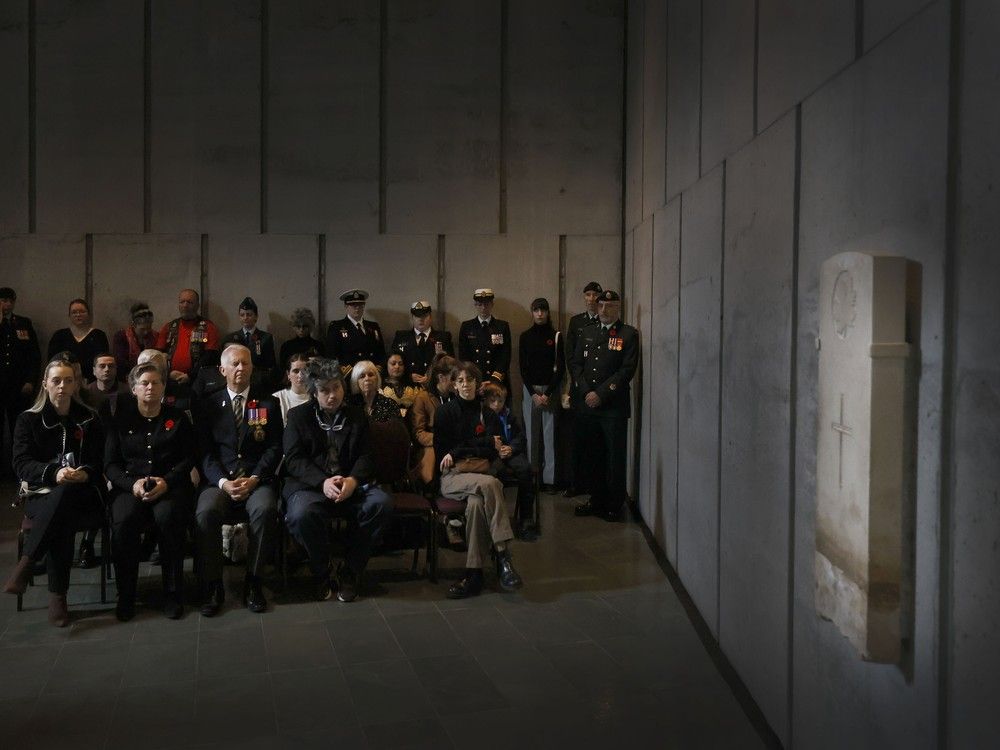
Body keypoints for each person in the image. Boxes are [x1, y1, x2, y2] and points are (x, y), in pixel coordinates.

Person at [3, 355, 105, 627]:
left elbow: (100, 460)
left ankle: (27, 565)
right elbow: (21, 464)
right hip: (40, 494)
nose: (62, 386)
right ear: (45, 384)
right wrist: (54, 473)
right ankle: (58, 596)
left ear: (76, 385)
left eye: (68, 381)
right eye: (56, 380)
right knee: (61, 507)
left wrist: (86, 472)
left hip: (83, 493)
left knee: (66, 497)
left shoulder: (89, 419)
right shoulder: (28, 420)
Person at [282, 358, 393, 602]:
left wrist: (353, 480)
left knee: (380, 503)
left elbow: (367, 455)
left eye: (336, 388)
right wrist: (323, 482)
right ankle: (322, 570)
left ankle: (351, 570)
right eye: (324, 390)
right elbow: (294, 459)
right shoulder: (298, 416)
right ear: (314, 392)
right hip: (312, 486)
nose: (332, 396)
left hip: (350, 483)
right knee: (302, 513)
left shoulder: (356, 414)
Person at [193, 344, 282, 616]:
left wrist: (255, 478)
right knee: (206, 512)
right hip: (219, 481)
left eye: (245, 363)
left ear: (252, 368)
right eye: (235, 364)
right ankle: (213, 585)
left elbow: (275, 448)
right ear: (223, 370)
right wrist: (222, 482)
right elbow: (204, 452)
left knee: (265, 510)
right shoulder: (208, 404)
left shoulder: (269, 403)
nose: (241, 368)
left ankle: (254, 582)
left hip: (256, 480)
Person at [105, 363, 195, 621]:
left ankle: (173, 593)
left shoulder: (177, 418)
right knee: (123, 522)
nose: (150, 387)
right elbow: (110, 464)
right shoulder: (120, 421)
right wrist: (130, 483)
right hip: (129, 486)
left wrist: (166, 481)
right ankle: (126, 595)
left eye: (156, 383)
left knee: (169, 518)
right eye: (144, 383)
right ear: (133, 389)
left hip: (169, 485)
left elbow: (188, 458)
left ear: (164, 388)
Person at [433, 361, 523, 599]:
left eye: (470, 380)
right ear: (453, 384)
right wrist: (475, 447)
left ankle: (474, 574)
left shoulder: (488, 413)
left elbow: (493, 452)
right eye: (460, 381)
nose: (465, 385)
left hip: (480, 474)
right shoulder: (445, 412)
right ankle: (503, 554)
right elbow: (444, 451)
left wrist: (462, 449)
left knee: (475, 504)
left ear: (476, 382)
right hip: (453, 477)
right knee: (493, 484)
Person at [569, 290, 639, 522]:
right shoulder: (587, 332)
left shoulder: (628, 334)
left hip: (613, 408)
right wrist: (586, 391)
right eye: (601, 305)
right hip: (588, 405)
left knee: (614, 458)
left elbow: (626, 370)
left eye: (610, 306)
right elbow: (576, 364)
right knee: (593, 456)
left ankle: (614, 504)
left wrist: (600, 394)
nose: (604, 310)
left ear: (618, 307)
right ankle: (596, 499)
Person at [518, 297, 564, 493]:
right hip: (531, 391)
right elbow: (522, 368)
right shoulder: (525, 336)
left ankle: (550, 479)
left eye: (543, 310)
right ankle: (533, 478)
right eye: (536, 310)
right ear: (532, 312)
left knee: (549, 436)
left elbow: (561, 368)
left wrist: (549, 393)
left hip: (550, 391)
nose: (539, 314)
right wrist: (533, 394)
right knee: (531, 435)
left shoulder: (556, 336)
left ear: (547, 313)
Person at [561, 281, 603, 498]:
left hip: (600, 391)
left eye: (595, 294)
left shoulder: (606, 322)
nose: (592, 298)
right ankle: (575, 483)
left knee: (596, 440)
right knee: (577, 439)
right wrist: (580, 384)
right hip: (580, 389)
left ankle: (594, 484)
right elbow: (570, 356)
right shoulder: (576, 322)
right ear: (584, 297)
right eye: (588, 294)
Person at [482, 382, 537, 541]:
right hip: (493, 453)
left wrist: (511, 448)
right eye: (493, 401)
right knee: (494, 474)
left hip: (510, 452)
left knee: (525, 470)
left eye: (500, 401)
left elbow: (520, 437)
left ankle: (526, 519)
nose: (497, 405)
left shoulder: (509, 415)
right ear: (486, 401)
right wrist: (497, 449)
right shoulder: (483, 416)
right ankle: (497, 519)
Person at [1, 287, 40, 479]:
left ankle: (19, 469)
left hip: (19, 386)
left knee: (20, 429)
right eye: (3, 301)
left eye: (10, 301)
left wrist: (31, 381)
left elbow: (33, 355)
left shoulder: (23, 323)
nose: (6, 304)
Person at [407, 354, 456, 486]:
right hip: (432, 445)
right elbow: (419, 433)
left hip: (456, 443)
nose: (457, 382)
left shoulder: (458, 396)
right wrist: (442, 440)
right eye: (453, 378)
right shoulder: (423, 398)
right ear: (441, 377)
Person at [155, 288, 220, 385]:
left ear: (197, 305)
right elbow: (157, 356)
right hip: (169, 380)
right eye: (182, 302)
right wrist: (168, 373)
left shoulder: (208, 327)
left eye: (189, 302)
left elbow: (210, 357)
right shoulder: (169, 327)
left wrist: (190, 375)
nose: (185, 305)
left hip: (197, 382)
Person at [390, 301, 454, 386]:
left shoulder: (443, 337)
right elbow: (392, 364)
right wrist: (408, 376)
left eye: (424, 316)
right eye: (417, 316)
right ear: (412, 318)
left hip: (434, 387)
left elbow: (451, 366)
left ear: (430, 317)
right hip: (408, 387)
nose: (421, 319)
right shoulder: (401, 337)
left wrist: (432, 377)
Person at [46, 299, 110, 383]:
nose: (78, 315)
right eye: (74, 312)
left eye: (82, 311)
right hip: (64, 382)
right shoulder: (59, 336)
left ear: (89, 314)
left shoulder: (99, 335)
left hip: (92, 382)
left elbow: (103, 360)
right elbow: (52, 361)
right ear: (69, 315)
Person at [458, 289, 512, 387]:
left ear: (492, 304)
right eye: (479, 304)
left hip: (496, 380)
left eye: (486, 304)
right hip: (474, 380)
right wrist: (474, 379)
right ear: (475, 305)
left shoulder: (502, 326)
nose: (483, 308)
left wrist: (494, 379)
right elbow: (463, 356)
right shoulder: (467, 326)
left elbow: (505, 356)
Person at [325, 289, 386, 375]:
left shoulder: (373, 327)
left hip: (372, 374)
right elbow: (331, 355)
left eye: (360, 305)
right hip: (350, 375)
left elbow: (381, 352)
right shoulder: (336, 327)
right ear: (346, 306)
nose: (357, 308)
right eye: (353, 305)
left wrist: (378, 368)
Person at [223, 297, 277, 389]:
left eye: (249, 314)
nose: (245, 318)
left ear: (256, 316)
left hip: (258, 381)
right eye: (242, 315)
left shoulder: (265, 338)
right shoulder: (230, 338)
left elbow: (270, 365)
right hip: (237, 379)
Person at [112, 302, 157, 380]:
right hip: (126, 377)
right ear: (134, 325)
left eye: (148, 328)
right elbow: (120, 362)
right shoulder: (122, 336)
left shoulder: (155, 336)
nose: (146, 332)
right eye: (142, 329)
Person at [273, 352, 312, 425]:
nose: (300, 375)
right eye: (296, 371)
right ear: (288, 374)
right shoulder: (277, 398)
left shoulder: (318, 397)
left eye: (305, 371)